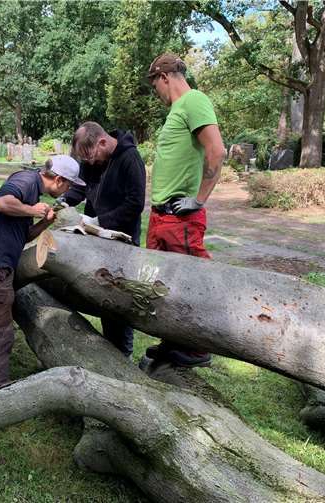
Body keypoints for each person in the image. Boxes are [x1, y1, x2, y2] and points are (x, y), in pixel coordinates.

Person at [0, 155, 85, 399]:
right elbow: (2, 203)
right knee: (0, 332)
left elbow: (21, 236)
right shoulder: (26, 181)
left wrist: (43, 223)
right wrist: (32, 209)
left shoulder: (32, 190)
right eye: (69, 185)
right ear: (59, 179)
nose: (69, 190)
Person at [144, 53, 226, 368]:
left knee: (192, 281)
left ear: (164, 77)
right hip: (161, 215)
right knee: (163, 284)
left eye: (155, 87)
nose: (157, 94)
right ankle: (173, 341)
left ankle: (197, 348)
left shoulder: (194, 100)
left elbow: (216, 150)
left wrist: (200, 199)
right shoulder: (179, 109)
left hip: (181, 216)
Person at [66, 121, 146, 356]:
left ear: (102, 141)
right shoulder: (91, 158)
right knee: (102, 295)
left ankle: (124, 354)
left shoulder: (130, 158)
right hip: (96, 237)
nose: (90, 163)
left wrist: (99, 221)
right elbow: (80, 188)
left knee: (120, 299)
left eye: (91, 158)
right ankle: (110, 352)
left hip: (122, 240)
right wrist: (62, 203)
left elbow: (135, 204)